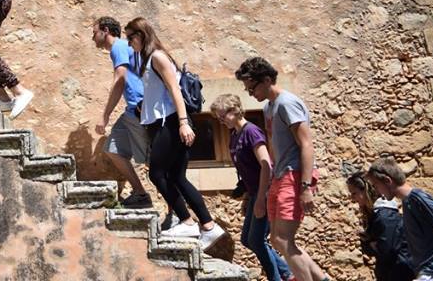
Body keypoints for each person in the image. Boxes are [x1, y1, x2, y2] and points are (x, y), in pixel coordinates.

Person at [124, 17, 225, 250]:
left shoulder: (157, 57)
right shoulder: (149, 60)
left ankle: (188, 222)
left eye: (130, 38)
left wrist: (183, 123)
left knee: (157, 173)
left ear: (141, 35)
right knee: (177, 176)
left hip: (169, 123)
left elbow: (175, 90)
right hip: (163, 122)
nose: (129, 43)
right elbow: (160, 93)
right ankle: (208, 226)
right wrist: (144, 108)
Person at [235, 57, 329, 281]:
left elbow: (306, 144)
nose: (250, 94)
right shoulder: (268, 107)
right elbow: (274, 148)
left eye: (252, 88)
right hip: (279, 176)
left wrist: (305, 186)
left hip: (294, 175)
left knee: (284, 239)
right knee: (278, 240)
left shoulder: (287, 104)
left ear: (267, 80)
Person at [211, 94, 293, 281]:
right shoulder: (234, 135)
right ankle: (287, 273)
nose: (221, 121)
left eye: (223, 116)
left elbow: (266, 165)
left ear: (235, 110)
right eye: (218, 118)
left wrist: (262, 199)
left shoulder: (252, 132)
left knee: (256, 240)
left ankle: (279, 277)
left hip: (265, 192)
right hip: (254, 192)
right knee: (247, 240)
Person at [92, 16, 152, 208]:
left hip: (139, 109)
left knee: (154, 162)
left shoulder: (118, 46)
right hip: (132, 111)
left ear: (105, 31)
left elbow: (120, 79)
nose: (93, 38)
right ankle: (140, 194)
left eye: (94, 33)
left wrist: (105, 116)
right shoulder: (123, 47)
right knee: (113, 148)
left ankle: (176, 210)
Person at [367, 157, 433, 280]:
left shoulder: (418, 198)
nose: (377, 191)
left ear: (387, 181)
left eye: (376, 185)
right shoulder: (407, 202)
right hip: (428, 272)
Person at [346, 171, 414, 281]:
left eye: (354, 193)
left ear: (365, 190)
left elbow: (387, 250)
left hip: (398, 274)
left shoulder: (385, 216)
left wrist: (371, 243)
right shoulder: (378, 215)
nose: (352, 198)